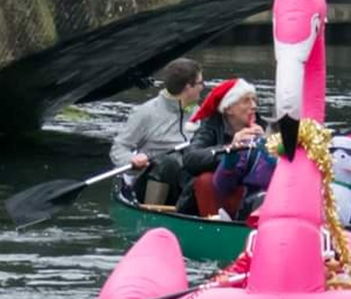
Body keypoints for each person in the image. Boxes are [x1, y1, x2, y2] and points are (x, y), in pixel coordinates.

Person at [110, 58, 206, 206]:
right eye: (200, 83)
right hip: (150, 180)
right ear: (188, 87)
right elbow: (118, 149)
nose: (203, 87)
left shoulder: (198, 113)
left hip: (184, 180)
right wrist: (131, 159)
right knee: (170, 162)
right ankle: (152, 214)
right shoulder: (146, 113)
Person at [176, 77, 270, 218]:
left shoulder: (263, 126)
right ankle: (215, 225)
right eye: (246, 101)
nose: (254, 106)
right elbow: (190, 158)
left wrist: (265, 144)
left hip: (251, 194)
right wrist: (231, 148)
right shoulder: (210, 127)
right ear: (228, 109)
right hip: (214, 195)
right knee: (205, 180)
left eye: (254, 100)